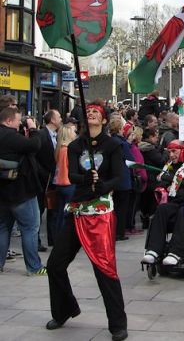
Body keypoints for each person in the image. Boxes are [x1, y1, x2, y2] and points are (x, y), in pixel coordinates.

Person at [46, 100, 128, 341]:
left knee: (105, 269)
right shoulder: (76, 145)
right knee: (55, 265)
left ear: (103, 120)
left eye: (97, 112)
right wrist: (85, 178)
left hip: (100, 213)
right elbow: (70, 174)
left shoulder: (112, 145)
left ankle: (117, 324)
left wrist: (103, 185)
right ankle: (64, 310)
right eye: (89, 111)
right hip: (77, 209)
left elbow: (119, 177)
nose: (92, 114)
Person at [0, 107, 45, 275]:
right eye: (18, 120)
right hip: (21, 191)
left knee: (3, 228)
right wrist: (33, 128)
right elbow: (35, 145)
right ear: (8, 121)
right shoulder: (11, 137)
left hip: (2, 193)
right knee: (30, 227)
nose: (20, 123)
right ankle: (34, 267)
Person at [36, 109, 62, 249]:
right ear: (52, 120)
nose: (61, 118)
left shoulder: (57, 136)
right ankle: (36, 241)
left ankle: (53, 239)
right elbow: (35, 158)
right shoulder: (40, 135)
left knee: (53, 209)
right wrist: (44, 174)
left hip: (54, 180)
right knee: (39, 212)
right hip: (42, 180)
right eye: (58, 116)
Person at [52, 123, 78, 237]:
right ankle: (63, 239)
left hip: (59, 184)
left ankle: (58, 237)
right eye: (73, 131)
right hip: (68, 183)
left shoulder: (59, 148)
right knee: (67, 214)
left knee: (60, 214)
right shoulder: (68, 150)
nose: (75, 133)